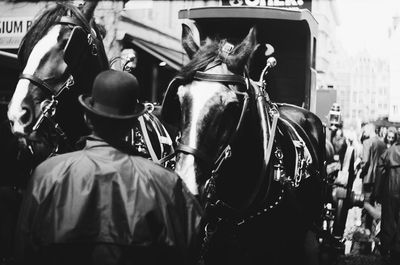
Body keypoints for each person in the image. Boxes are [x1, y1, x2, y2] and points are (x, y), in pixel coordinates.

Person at [14, 70, 202, 265]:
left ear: (87, 118)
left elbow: (23, 250)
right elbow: (190, 248)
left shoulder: (47, 176)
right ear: (132, 123)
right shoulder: (166, 185)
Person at [375, 140, 400, 265]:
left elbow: (380, 171)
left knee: (389, 220)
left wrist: (377, 192)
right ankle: (397, 250)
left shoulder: (390, 151)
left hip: (391, 189)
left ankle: (386, 250)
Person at [359, 123, 387, 234]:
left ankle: (365, 230)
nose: (364, 133)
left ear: (368, 130)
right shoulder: (382, 143)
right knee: (374, 203)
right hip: (380, 179)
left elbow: (365, 162)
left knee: (365, 203)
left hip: (368, 179)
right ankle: (372, 229)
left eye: (364, 131)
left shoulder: (367, 142)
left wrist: (361, 170)